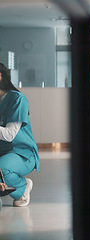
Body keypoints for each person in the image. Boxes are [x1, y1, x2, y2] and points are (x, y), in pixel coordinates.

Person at [0, 63, 39, 207]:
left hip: (21, 153)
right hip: (2, 151)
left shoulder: (17, 99)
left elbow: (10, 135)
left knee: (2, 169)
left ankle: (22, 187)